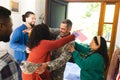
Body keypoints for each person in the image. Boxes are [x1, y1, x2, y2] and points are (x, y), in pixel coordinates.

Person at [9, 11, 36, 80]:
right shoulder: (18, 30)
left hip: (31, 59)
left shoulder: (35, 30)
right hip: (21, 60)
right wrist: (24, 48)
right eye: (32, 18)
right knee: (21, 78)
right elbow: (12, 44)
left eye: (35, 18)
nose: (34, 20)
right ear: (26, 19)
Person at [0, 6, 19, 80]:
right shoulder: (7, 62)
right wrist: (24, 48)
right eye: (10, 26)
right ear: (1, 26)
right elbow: (12, 44)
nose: (11, 30)